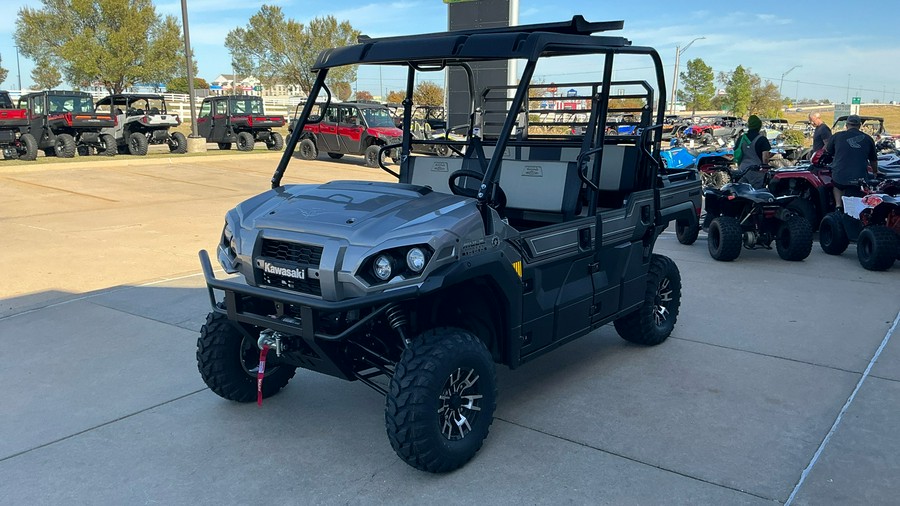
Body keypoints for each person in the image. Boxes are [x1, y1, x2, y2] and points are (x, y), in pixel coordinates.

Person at [824, 114, 878, 211]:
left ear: (846, 125)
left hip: (840, 175)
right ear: (860, 125)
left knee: (836, 185)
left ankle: (838, 206)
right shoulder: (868, 138)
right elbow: (873, 159)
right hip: (859, 177)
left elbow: (828, 152)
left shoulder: (837, 136)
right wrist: (875, 172)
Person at [733, 114, 771, 188]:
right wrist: (765, 167)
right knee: (756, 194)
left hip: (742, 170)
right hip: (756, 171)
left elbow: (736, 151)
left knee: (743, 192)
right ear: (759, 126)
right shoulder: (762, 139)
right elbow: (765, 157)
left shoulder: (741, 138)